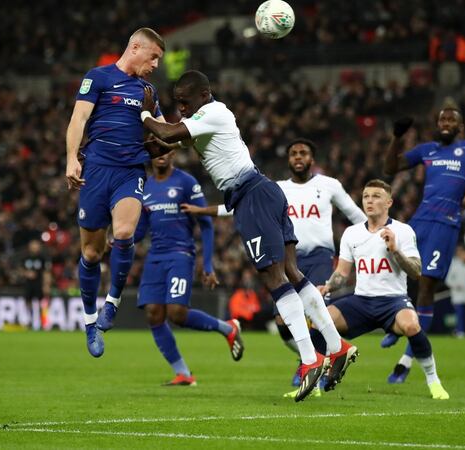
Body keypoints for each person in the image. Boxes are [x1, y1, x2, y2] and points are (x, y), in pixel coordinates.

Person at [140, 70, 356, 401]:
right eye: (177, 104)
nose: (181, 108)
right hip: (261, 191)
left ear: (203, 94)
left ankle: (311, 360)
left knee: (275, 279)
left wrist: (143, 112)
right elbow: (165, 141)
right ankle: (335, 347)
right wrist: (148, 125)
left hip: (251, 196)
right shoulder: (205, 116)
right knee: (292, 273)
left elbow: (167, 131)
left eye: (185, 102)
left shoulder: (212, 113)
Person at [183, 138, 366, 387]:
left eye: (303, 153)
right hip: (290, 256)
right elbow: (236, 206)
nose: (298, 157)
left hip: (320, 256)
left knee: (313, 313)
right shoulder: (277, 187)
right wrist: (203, 211)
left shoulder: (329, 185)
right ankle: (321, 355)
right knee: (282, 322)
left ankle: (316, 365)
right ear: (288, 160)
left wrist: (370, 243)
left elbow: (356, 215)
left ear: (312, 159)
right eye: (293, 153)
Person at [382, 108, 465, 384]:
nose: (446, 123)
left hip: (445, 225)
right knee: (393, 270)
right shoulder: (428, 150)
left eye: (452, 120)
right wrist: (396, 137)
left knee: (427, 284)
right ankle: (398, 320)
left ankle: (405, 362)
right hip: (419, 221)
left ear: (460, 126)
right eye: (442, 119)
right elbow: (390, 169)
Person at [65, 28, 166, 357]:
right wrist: (70, 159)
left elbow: (165, 137)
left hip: (130, 172)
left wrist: (158, 122)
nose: (155, 65)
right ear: (135, 47)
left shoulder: (148, 91)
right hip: (96, 170)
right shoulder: (98, 77)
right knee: (92, 254)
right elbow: (79, 118)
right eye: (153, 57)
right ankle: (90, 322)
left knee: (123, 233)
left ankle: (113, 302)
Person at [316, 179, 450, 400]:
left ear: (389, 202)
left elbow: (417, 271)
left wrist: (395, 250)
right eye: (366, 196)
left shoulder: (403, 231)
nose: (369, 201)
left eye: (376, 196)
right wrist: (329, 285)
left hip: (393, 301)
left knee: (411, 324)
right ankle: (321, 375)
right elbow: (342, 273)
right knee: (320, 320)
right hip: (361, 301)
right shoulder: (352, 233)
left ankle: (433, 380)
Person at [135, 150, 243, 386]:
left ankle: (227, 328)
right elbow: (141, 228)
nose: (161, 154)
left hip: (180, 255)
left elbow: (206, 224)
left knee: (176, 313)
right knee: (153, 313)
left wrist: (207, 265)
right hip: (155, 257)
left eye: (165, 150)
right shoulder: (145, 187)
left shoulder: (186, 182)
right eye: (156, 151)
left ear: (173, 153)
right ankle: (183, 373)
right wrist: (121, 239)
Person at [22, 239, 52, 309]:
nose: (35, 247)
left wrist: (46, 284)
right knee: (28, 300)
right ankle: (30, 316)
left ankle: (43, 317)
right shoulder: (25, 258)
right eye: (33, 245)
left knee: (43, 301)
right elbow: (20, 269)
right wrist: (26, 273)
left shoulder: (43, 258)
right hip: (28, 284)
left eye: (36, 245)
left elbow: (46, 272)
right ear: (29, 246)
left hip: (39, 283)